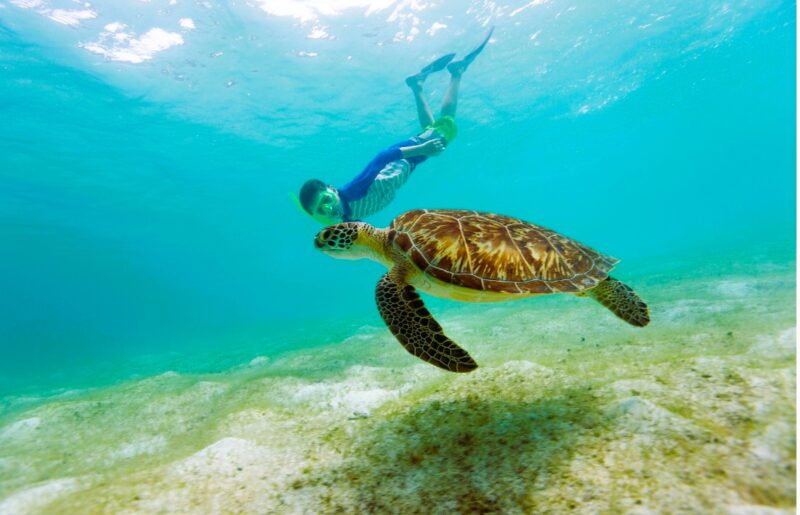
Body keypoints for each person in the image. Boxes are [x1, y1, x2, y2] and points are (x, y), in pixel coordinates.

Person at [298, 28, 493, 224]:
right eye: (320, 210)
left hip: (404, 158)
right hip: (408, 164)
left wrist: (422, 148)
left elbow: (382, 156)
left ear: (331, 189)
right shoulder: (343, 216)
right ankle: (416, 86)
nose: (328, 208)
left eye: (326, 200)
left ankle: (456, 73)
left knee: (446, 126)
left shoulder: (350, 193)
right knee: (431, 129)